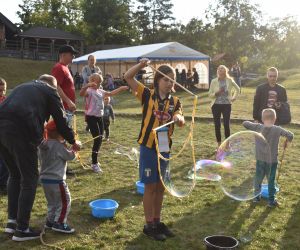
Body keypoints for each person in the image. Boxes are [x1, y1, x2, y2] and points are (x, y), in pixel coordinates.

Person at [0, 75, 81, 241]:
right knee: (30, 179)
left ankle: (12, 223)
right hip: (21, 131)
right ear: (54, 85)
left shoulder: (24, 86)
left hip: (2, 128)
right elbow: (61, 120)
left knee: (15, 174)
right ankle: (22, 229)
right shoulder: (50, 91)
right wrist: (73, 141)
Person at [124, 59, 185, 241]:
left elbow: (179, 115)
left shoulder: (175, 101)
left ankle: (157, 222)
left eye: (172, 80)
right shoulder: (146, 95)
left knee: (160, 187)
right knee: (150, 186)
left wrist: (179, 119)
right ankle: (148, 225)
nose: (170, 83)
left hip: (164, 146)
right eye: (166, 79)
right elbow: (127, 77)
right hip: (148, 146)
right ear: (158, 80)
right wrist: (141, 66)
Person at [243, 108, 294, 207]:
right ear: (274, 119)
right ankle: (271, 201)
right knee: (271, 181)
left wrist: (254, 123)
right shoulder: (278, 129)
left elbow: (245, 123)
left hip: (260, 159)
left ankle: (256, 197)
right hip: (272, 161)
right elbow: (290, 135)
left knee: (258, 179)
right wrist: (288, 139)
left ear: (262, 118)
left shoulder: (257, 127)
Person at [79, 73, 128, 173]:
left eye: (100, 82)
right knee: (97, 139)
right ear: (92, 81)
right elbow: (81, 93)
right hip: (91, 118)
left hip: (99, 117)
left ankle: (94, 158)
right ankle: (94, 163)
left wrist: (121, 88)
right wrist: (87, 85)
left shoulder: (100, 91)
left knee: (100, 138)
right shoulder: (89, 91)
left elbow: (111, 93)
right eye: (98, 82)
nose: (99, 84)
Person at [39, 120, 76, 233]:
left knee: (52, 202)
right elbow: (70, 157)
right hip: (57, 180)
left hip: (44, 180)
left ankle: (50, 221)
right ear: (61, 133)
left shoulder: (43, 144)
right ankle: (59, 223)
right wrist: (75, 148)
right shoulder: (58, 145)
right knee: (65, 201)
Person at [209, 65, 240, 150]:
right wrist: (216, 93)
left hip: (226, 105)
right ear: (217, 71)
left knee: (226, 124)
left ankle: (227, 144)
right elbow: (209, 94)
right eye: (219, 68)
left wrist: (234, 97)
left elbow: (238, 89)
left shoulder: (229, 80)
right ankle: (219, 145)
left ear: (225, 70)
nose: (220, 70)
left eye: (222, 68)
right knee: (217, 125)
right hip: (216, 105)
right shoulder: (214, 81)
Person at [51, 45, 78, 125]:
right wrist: (68, 102)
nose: (73, 56)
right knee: (62, 132)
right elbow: (56, 86)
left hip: (67, 107)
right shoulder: (59, 67)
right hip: (63, 107)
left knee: (65, 132)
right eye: (71, 54)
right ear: (63, 55)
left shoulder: (65, 67)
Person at [81, 55, 102, 132]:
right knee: (88, 106)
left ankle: (95, 123)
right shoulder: (85, 68)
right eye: (91, 60)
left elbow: (100, 78)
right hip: (88, 90)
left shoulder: (98, 68)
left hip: (97, 90)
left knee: (96, 106)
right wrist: (94, 78)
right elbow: (85, 78)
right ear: (88, 60)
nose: (92, 61)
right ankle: (88, 124)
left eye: (94, 60)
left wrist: (94, 78)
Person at [0, 77, 8, 194]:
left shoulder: (6, 100)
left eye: (3, 90)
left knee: (5, 160)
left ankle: (3, 183)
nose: (1, 93)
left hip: (5, 133)